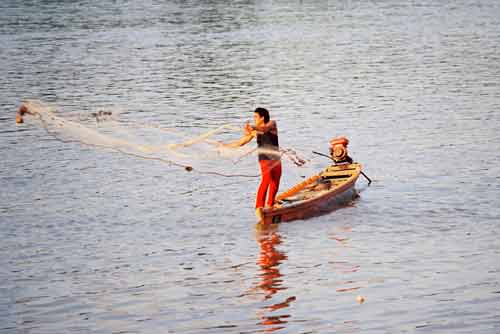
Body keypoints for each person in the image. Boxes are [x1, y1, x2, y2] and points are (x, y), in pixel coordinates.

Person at [224, 107, 282, 220]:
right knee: (266, 180)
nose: (254, 119)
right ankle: (259, 207)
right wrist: (224, 146)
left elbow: (265, 129)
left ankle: (270, 205)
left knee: (275, 180)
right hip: (264, 159)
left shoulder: (271, 124)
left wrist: (252, 127)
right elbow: (241, 142)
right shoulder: (255, 131)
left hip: (276, 158)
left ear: (262, 117)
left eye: (256, 117)